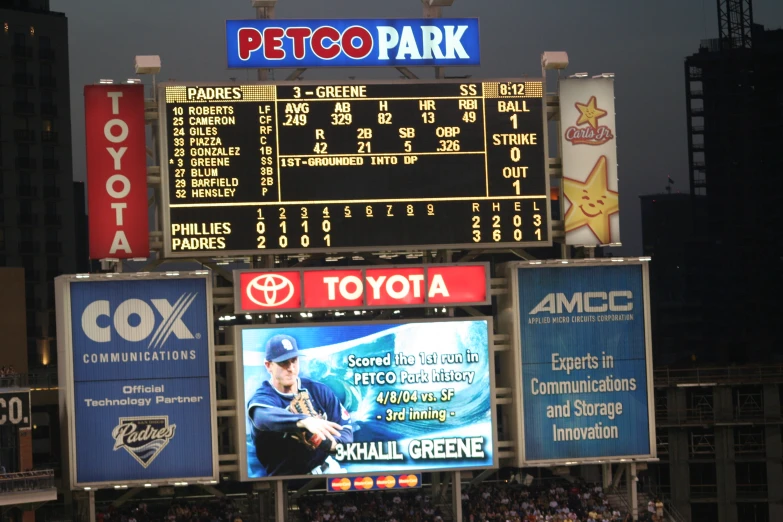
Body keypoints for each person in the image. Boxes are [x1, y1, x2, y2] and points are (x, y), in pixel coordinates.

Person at [247, 334, 353, 476]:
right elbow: (262, 416)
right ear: (268, 365)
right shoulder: (264, 398)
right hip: (288, 483)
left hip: (329, 470)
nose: (291, 368)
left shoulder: (318, 390)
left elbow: (346, 431)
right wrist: (303, 421)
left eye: (294, 360)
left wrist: (327, 443)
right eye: (283, 362)